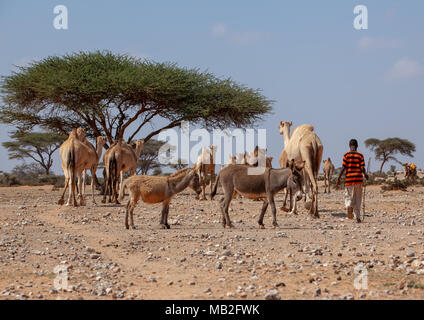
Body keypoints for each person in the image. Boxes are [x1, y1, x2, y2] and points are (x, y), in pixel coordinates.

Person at [336, 139, 369, 223]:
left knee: (349, 196)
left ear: (349, 146)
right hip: (358, 179)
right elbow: (362, 168)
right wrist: (365, 175)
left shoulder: (346, 155)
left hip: (349, 180)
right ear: (357, 146)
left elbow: (343, 167)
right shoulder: (360, 155)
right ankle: (357, 217)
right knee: (358, 198)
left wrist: (339, 178)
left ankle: (349, 206)